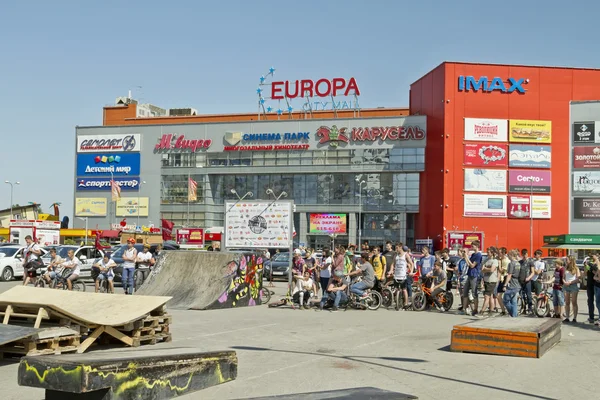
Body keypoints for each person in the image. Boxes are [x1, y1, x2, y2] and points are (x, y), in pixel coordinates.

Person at [461, 240, 483, 316]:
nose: (472, 247)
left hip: (474, 275)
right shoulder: (473, 254)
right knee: (465, 291)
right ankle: (464, 308)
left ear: (477, 246)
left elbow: (472, 265)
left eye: (473, 246)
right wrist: (465, 257)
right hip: (469, 274)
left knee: (474, 293)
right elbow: (468, 264)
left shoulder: (478, 255)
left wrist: (467, 257)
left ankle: (475, 309)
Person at [388, 244, 410, 309]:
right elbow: (392, 264)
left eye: (397, 248)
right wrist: (391, 271)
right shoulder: (396, 256)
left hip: (403, 275)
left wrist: (410, 271)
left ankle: (406, 303)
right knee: (396, 289)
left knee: (404, 290)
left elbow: (411, 263)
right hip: (397, 275)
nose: (396, 249)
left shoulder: (405, 255)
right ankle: (397, 303)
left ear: (401, 247)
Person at [479, 247, 499, 317]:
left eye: (489, 252)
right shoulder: (486, 260)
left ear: (492, 253)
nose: (487, 253)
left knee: (486, 296)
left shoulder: (495, 261)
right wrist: (487, 269)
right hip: (486, 280)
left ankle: (482, 311)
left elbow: (492, 270)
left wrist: (486, 269)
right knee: (490, 296)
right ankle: (491, 310)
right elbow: (482, 269)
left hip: (492, 280)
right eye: (487, 252)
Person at [503, 249, 521, 317]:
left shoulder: (511, 263)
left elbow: (509, 275)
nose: (507, 256)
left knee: (505, 300)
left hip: (512, 284)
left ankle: (512, 313)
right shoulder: (518, 263)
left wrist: (505, 285)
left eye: (508, 255)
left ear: (511, 255)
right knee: (514, 301)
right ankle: (515, 315)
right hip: (517, 283)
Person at [563, 256, 580, 323]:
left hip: (573, 285)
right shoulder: (565, 268)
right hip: (566, 285)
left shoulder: (576, 268)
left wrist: (571, 282)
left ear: (571, 260)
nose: (566, 261)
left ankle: (574, 318)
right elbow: (563, 277)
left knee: (574, 302)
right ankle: (567, 317)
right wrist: (564, 282)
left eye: (567, 260)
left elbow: (578, 279)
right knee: (567, 302)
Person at [518, 249, 535, 314]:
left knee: (528, 295)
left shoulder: (530, 262)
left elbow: (533, 272)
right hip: (521, 281)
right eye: (523, 254)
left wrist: (528, 278)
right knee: (522, 295)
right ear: (522, 254)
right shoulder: (520, 262)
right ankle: (523, 308)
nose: (525, 256)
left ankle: (530, 308)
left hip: (527, 281)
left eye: (526, 254)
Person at [585, 253, 599, 324]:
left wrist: (592, 268)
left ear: (597, 256)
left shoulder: (598, 264)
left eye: (592, 256)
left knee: (598, 302)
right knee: (590, 301)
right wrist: (586, 267)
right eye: (590, 256)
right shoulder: (589, 264)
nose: (591, 257)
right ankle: (591, 317)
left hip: (596, 284)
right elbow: (585, 273)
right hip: (589, 284)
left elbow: (597, 272)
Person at [496, 247, 509, 315]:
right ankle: (503, 310)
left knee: (501, 295)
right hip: (501, 278)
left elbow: (501, 270)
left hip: (505, 278)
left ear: (503, 253)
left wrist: (499, 263)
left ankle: (506, 309)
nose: (498, 254)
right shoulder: (501, 259)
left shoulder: (506, 261)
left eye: (500, 253)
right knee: (498, 295)